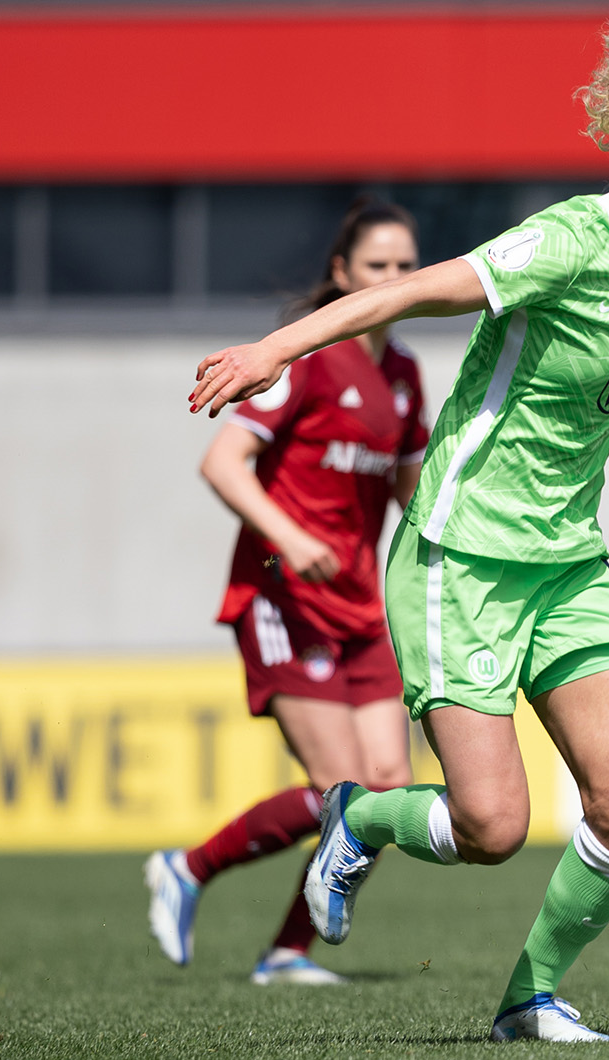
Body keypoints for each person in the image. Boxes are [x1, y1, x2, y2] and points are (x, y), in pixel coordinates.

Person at [186, 7, 609, 1043]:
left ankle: (531, 997)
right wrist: (274, 350)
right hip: (460, 558)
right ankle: (358, 817)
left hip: (568, 563)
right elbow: (413, 296)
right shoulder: (564, 242)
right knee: (493, 828)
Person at [145, 198, 427, 985]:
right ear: (343, 273)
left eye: (407, 266)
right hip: (281, 597)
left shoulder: (403, 374)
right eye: (379, 266)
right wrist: (293, 538)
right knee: (335, 789)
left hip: (361, 607)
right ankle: (188, 867)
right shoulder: (303, 358)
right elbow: (222, 464)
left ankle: (286, 951)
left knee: (386, 792)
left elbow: (412, 492)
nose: (396, 279)